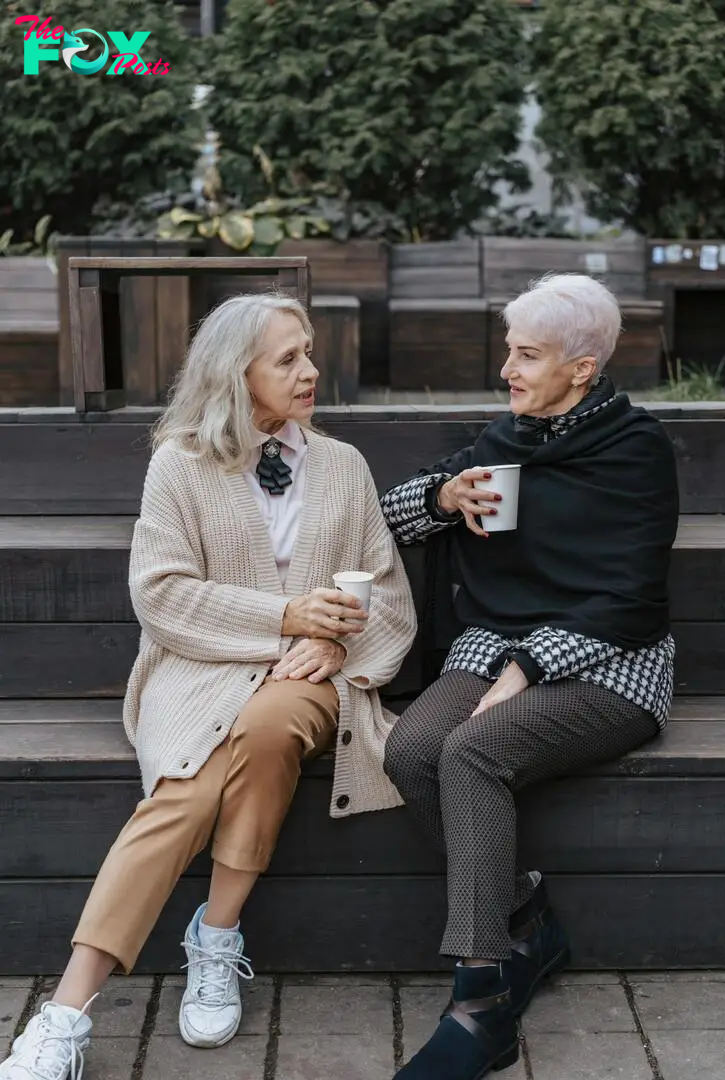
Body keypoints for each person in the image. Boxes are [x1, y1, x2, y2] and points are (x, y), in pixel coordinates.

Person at [1, 293, 416, 1080]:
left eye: (308, 353)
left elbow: (389, 597)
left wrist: (336, 648)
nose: (310, 370)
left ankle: (217, 934)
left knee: (268, 728)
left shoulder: (344, 466)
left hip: (309, 679)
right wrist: (285, 614)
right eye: (288, 358)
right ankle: (65, 1013)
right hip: (196, 671)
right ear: (237, 374)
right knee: (183, 795)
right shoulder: (180, 464)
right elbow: (160, 594)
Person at [380, 273, 679, 1079]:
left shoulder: (635, 451)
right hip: (494, 645)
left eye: (526, 355)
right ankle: (527, 920)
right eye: (508, 350)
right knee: (411, 751)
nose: (507, 369)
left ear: (581, 368)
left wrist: (528, 665)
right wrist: (443, 497)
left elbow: (634, 598)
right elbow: (388, 516)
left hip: (609, 662)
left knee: (471, 752)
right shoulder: (502, 441)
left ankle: (481, 1002)